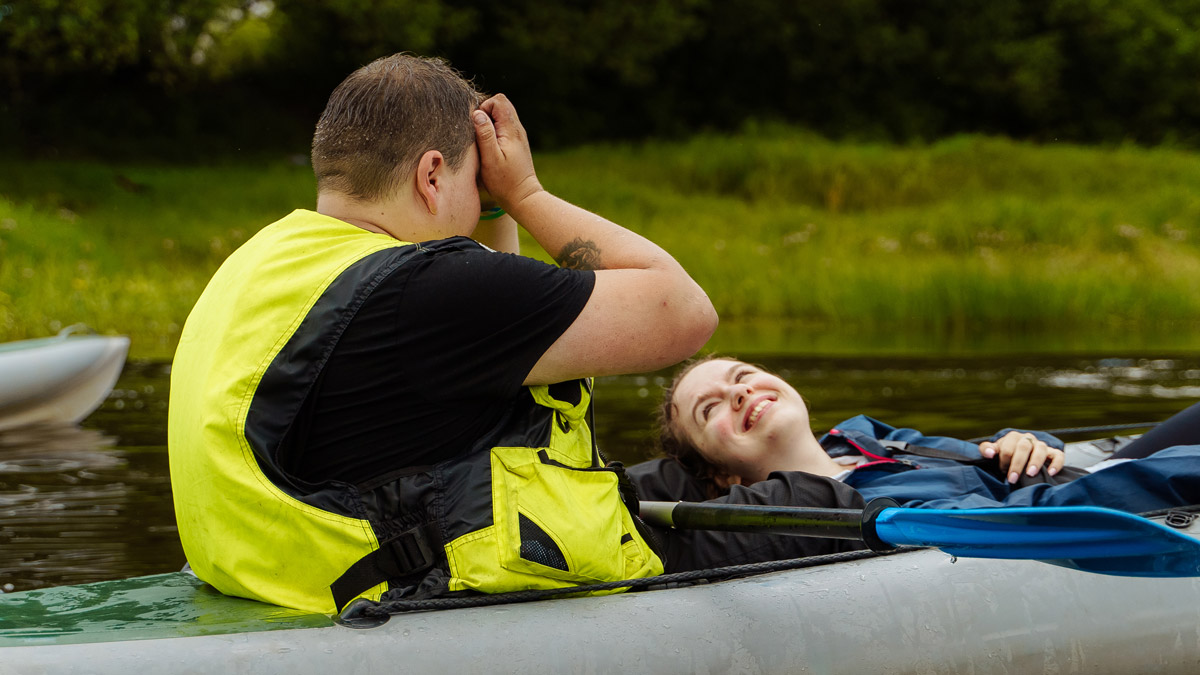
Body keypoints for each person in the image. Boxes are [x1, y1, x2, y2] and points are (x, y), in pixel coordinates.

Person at [167, 54, 722, 614]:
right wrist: (523, 194)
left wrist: (482, 201)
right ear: (431, 176)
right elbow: (685, 313)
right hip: (395, 609)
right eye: (475, 185)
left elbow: (507, 351)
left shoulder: (266, 267)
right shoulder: (428, 289)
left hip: (272, 583)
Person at [631, 355, 1200, 519]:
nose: (737, 392)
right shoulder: (818, 516)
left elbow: (977, 453)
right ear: (724, 475)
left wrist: (1021, 438)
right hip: (1071, 507)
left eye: (742, 375)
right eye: (710, 410)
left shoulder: (863, 436)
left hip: (1088, 472)